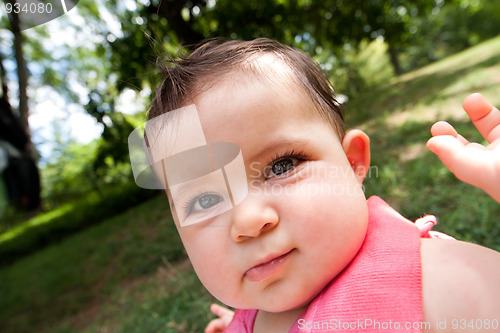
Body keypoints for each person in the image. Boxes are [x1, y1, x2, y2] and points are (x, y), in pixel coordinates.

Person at [133, 38, 500, 332]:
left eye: (281, 166)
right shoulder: (252, 316)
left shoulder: (432, 280)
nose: (247, 220)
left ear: (353, 162)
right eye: (205, 199)